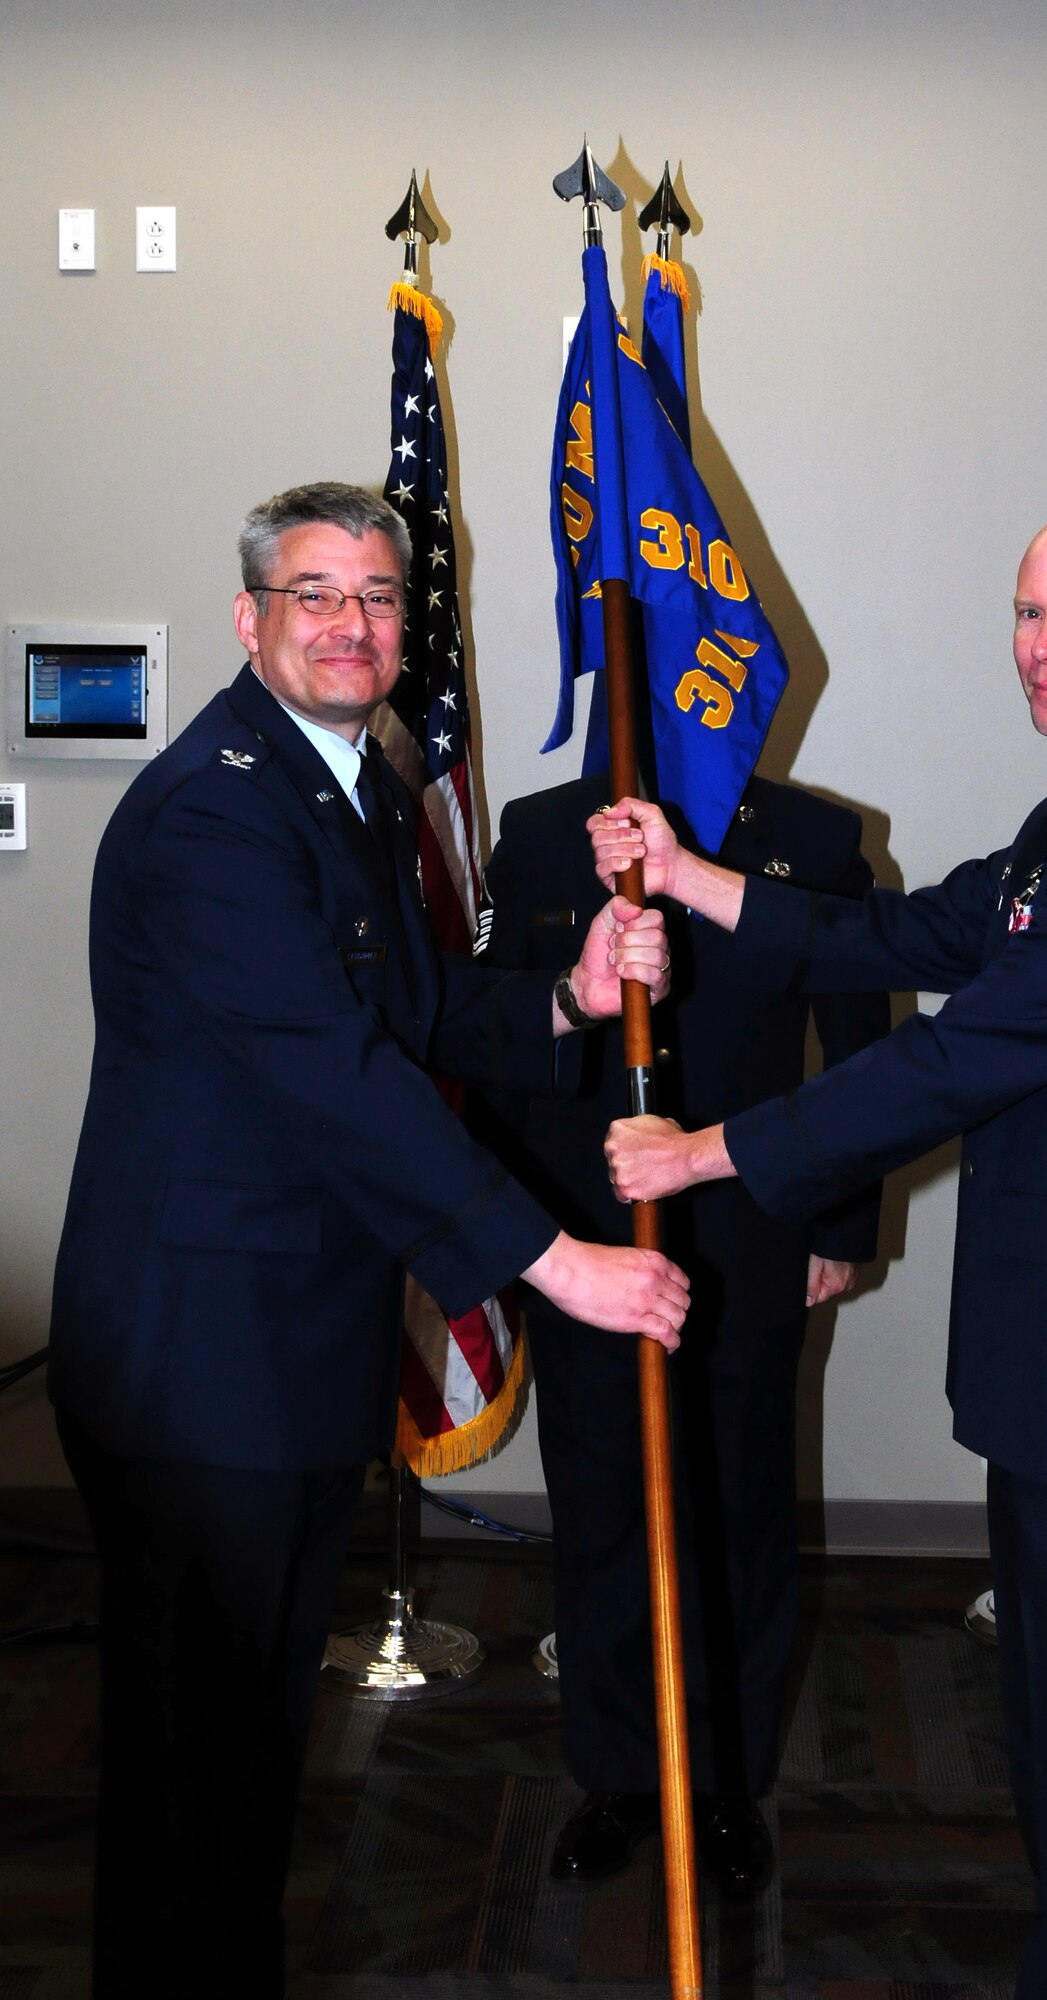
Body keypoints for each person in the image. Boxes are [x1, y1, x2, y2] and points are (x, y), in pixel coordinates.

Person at [599, 506, 1047, 1997]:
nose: (1042, 644)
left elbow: (960, 1059)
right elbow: (918, 936)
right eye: (1028, 612)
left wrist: (709, 1150)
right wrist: (699, 876)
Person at [46, 481, 689, 1999]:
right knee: (192, 1773)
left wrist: (567, 997)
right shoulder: (213, 808)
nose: (352, 623)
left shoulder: (352, 783)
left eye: (380, 599)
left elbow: (404, 1015)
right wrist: (558, 1264)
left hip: (280, 1355)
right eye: (316, 594)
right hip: (196, 1367)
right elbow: (334, 1080)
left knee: (248, 1752)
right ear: (250, 618)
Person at [473, 771, 891, 1892]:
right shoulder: (543, 831)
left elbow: (853, 1040)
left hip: (746, 1231)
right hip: (582, 1236)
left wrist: (836, 1219)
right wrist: (516, 1239)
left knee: (738, 1505)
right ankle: (614, 1768)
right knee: (599, 1499)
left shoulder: (805, 840)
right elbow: (504, 1036)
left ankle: (723, 1781)